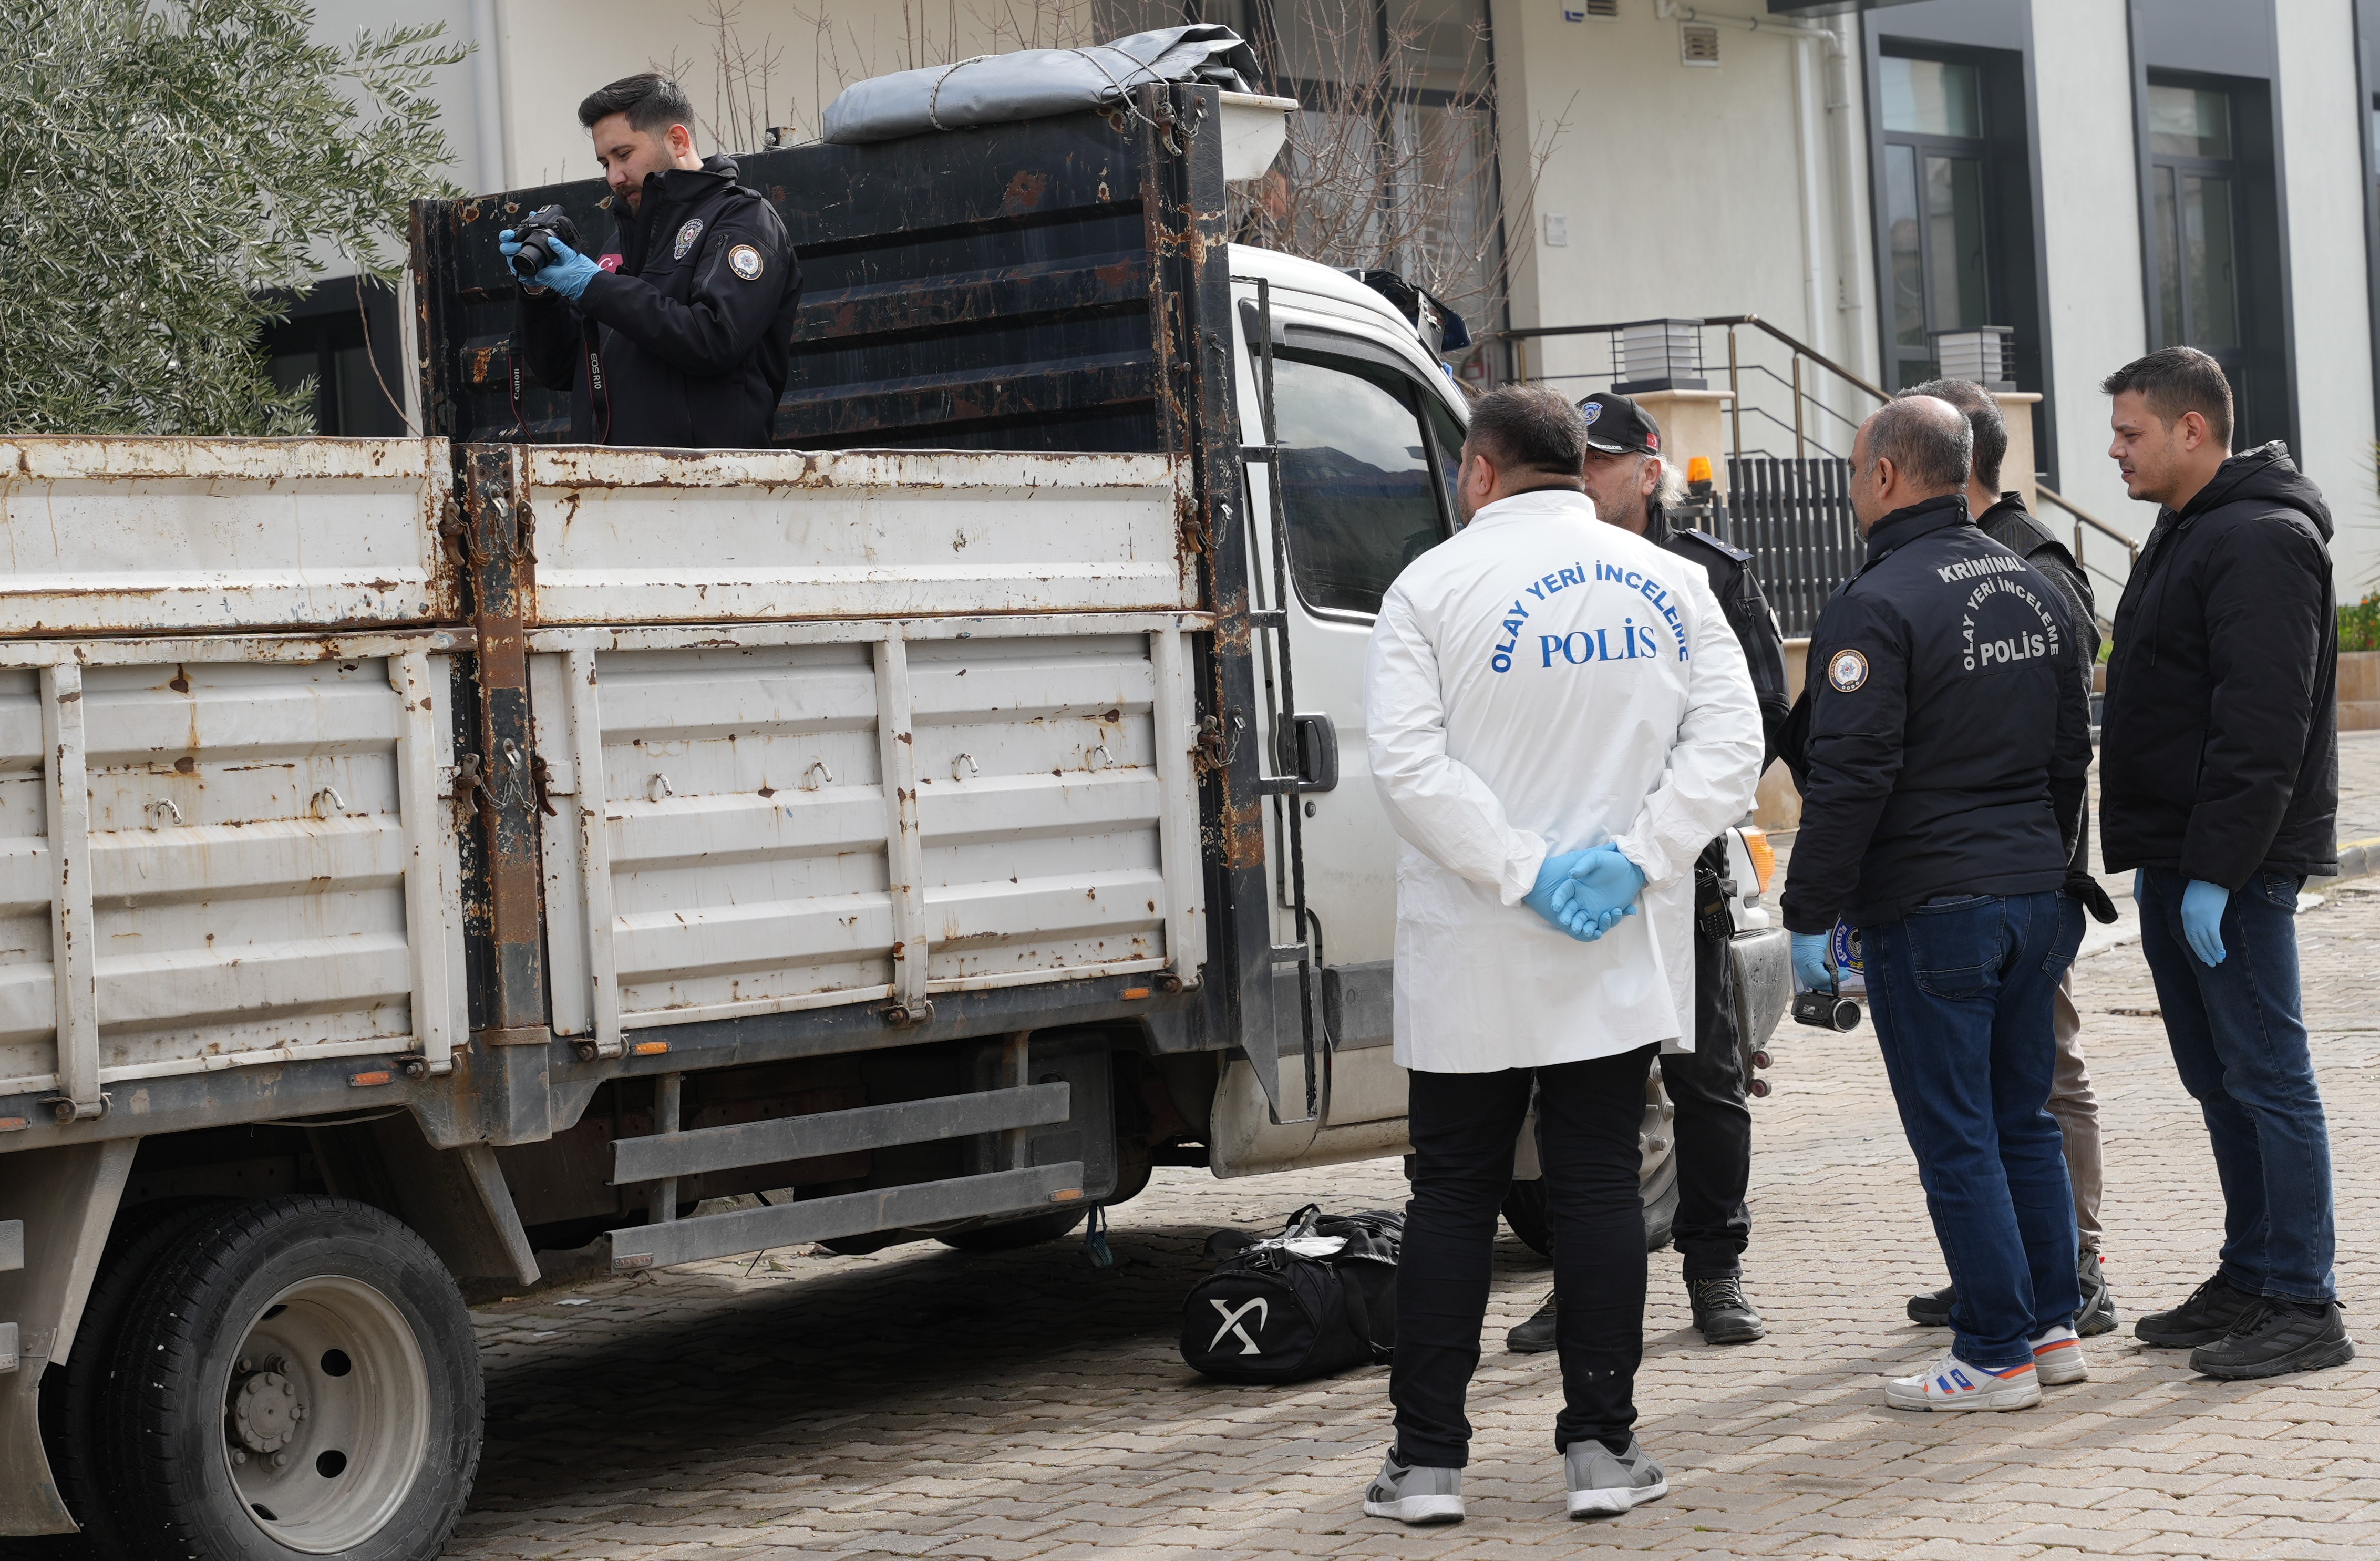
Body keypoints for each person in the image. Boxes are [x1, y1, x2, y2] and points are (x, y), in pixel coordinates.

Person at [1361, 386, 1761, 1522]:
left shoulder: (1426, 587)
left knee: (1451, 1195)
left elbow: (1405, 770)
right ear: (1578, 469)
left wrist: (1515, 869)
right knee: (1592, 1188)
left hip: (1471, 946)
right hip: (1608, 940)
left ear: (1478, 472)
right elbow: (1730, 746)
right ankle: (1599, 1449)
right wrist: (1629, 860)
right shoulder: (1670, 582)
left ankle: (1426, 1465)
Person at [1780, 395, 2091, 1411]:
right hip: (2030, 895)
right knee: (2022, 1122)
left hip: (1932, 906)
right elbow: (2067, 758)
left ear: (1883, 477)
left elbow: (1848, 778)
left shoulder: (1874, 603)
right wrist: (2037, 865)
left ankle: (1993, 1352)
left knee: (1955, 1132)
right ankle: (2050, 1329)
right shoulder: (2033, 582)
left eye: (1850, 467)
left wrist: (1804, 911)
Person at [1504, 391, 1789, 1353]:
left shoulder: (1703, 574)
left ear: (1647, 468)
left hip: (1674, 866)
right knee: (1580, 1089)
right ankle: (1584, 1279)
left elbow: (1750, 721)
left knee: (1702, 1082)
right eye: (1574, 460)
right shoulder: (1538, 574)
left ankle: (1714, 1267)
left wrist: (1655, 830)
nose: (1586, 476)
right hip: (1567, 870)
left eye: (1603, 460)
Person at [2097, 347, 2352, 1380]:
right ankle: (2250, 1274)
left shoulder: (2255, 538)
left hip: (2231, 868)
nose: (2112, 450)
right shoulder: (2187, 526)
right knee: (2219, 1080)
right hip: (2177, 855)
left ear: (2189, 431)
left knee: (2265, 1077)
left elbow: (2259, 729)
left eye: (2128, 433)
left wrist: (2216, 870)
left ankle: (2302, 1301)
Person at [1893, 378, 2121, 1340]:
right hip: (1997, 870)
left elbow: (2065, 737)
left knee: (2038, 1080)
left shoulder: (2032, 566)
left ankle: (2071, 1265)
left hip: (2017, 877)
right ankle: (2003, 1272)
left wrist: (2048, 869)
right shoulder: (1956, 567)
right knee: (1995, 1098)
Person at [503, 73, 802, 449]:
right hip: (608, 485)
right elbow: (561, 369)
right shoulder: (621, 240)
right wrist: (537, 292)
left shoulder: (743, 219)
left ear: (677, 140)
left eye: (623, 155)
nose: (614, 177)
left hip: (710, 486)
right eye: (604, 163)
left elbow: (714, 341)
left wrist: (594, 286)